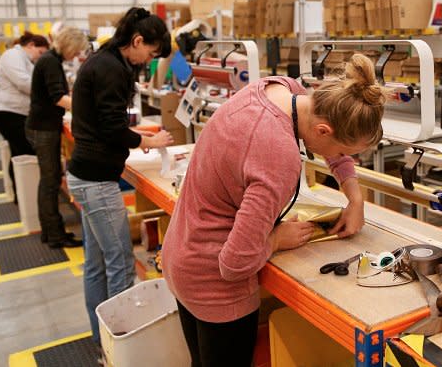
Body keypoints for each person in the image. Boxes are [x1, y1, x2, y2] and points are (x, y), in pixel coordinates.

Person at [162, 54, 388, 367]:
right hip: (214, 283)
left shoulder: (280, 90)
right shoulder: (278, 155)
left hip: (182, 255)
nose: (340, 158)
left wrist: (355, 198)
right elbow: (235, 263)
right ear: (323, 130)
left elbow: (331, 154)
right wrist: (277, 240)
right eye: (343, 151)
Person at [66, 7, 174, 356]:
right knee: (120, 265)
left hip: (85, 175)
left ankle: (102, 341)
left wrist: (137, 132)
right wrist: (148, 142)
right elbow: (111, 128)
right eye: (151, 53)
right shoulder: (111, 68)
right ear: (138, 40)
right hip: (97, 181)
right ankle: (120, 346)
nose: (149, 60)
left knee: (96, 264)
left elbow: (103, 121)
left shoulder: (105, 60)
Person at [26, 26, 88, 248]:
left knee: (49, 181)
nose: (76, 55)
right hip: (43, 128)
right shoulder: (51, 62)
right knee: (50, 182)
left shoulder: (51, 61)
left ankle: (50, 231)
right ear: (69, 44)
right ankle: (54, 235)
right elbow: (58, 98)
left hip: (44, 125)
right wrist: (87, 108)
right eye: (76, 50)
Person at [0, 32, 49, 200]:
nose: (40, 58)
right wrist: (50, 92)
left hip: (16, 112)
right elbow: (24, 82)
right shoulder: (13, 55)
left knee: (19, 153)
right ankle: (24, 196)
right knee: (25, 152)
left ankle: (21, 196)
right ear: (31, 45)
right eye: (40, 53)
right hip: (8, 113)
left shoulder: (24, 59)